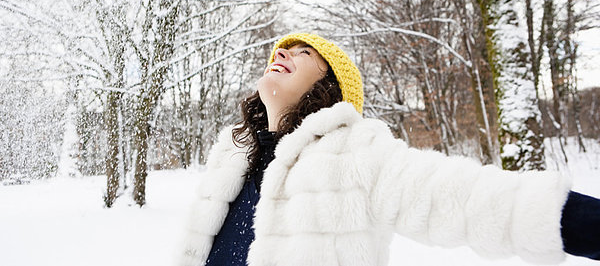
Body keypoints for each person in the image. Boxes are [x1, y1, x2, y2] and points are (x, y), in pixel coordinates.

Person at [177, 32, 600, 266]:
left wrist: (586, 224)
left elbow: (462, 199)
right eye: (281, 50)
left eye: (304, 52)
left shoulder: (353, 154)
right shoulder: (230, 157)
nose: (284, 52)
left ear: (329, 89)